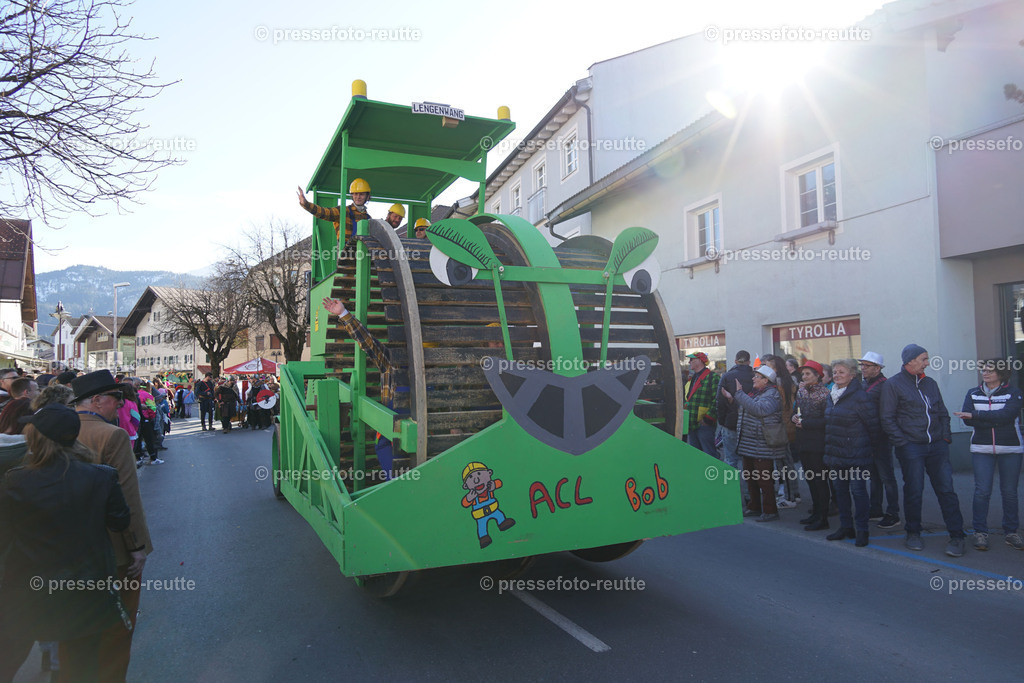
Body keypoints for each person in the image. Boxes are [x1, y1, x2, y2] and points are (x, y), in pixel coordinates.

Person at [0, 404, 134, 682]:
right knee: (80, 665)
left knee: (10, 656)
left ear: (38, 438)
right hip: (84, 589)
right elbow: (120, 522)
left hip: (27, 588)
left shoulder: (15, 481)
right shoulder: (102, 476)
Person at [71, 370, 152, 681]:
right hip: (112, 549)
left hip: (64, 550)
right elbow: (126, 497)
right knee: (118, 630)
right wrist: (136, 547)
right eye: (116, 398)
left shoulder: (50, 431)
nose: (120, 405)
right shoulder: (112, 435)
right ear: (96, 400)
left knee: (74, 633)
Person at [880, 343, 966, 556]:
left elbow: (942, 412)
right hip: (911, 447)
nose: (928, 363)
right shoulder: (893, 385)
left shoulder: (930, 383)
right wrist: (903, 443)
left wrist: (945, 437)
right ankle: (913, 532)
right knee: (914, 491)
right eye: (924, 359)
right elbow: (887, 418)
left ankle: (957, 536)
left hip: (937, 446)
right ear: (910, 361)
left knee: (946, 490)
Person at [323, 296, 403, 479]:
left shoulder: (392, 363)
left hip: (404, 423)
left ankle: (397, 485)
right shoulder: (392, 362)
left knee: (382, 443)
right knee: (385, 444)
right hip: (400, 425)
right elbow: (368, 342)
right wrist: (343, 314)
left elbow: (369, 343)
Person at [954, 359, 1024, 551]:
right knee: (982, 491)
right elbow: (967, 421)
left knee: (1009, 493)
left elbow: (1006, 416)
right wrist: (989, 420)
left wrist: (977, 417)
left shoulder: (1014, 393)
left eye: (990, 371)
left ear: (1001, 374)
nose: (985, 374)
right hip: (981, 449)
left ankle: (1011, 532)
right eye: (984, 370)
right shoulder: (973, 393)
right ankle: (980, 532)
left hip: (1011, 449)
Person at [823, 359, 881, 547]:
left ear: (852, 375)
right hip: (836, 453)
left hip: (857, 454)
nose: (837, 375)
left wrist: (871, 450)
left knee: (858, 492)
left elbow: (873, 425)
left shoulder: (860, 397)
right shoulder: (831, 394)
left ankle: (862, 530)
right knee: (840, 492)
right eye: (835, 372)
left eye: (841, 372)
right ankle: (846, 526)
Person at [720, 364, 788, 522]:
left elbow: (759, 410)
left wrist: (738, 393)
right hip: (750, 443)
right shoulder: (757, 392)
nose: (753, 378)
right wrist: (733, 397)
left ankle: (770, 510)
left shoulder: (772, 394)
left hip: (762, 445)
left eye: (757, 376)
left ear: (766, 380)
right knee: (751, 478)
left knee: (764, 480)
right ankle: (754, 506)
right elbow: (747, 407)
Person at [859, 351, 900, 529]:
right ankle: (875, 508)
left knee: (886, 476)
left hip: (881, 437)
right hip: (868, 436)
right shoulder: (864, 384)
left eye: (867, 366)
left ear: (877, 368)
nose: (863, 369)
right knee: (874, 475)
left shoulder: (885, 385)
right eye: (862, 365)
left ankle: (893, 512)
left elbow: (887, 412)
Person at [792, 360, 830, 531]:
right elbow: (797, 411)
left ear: (818, 376)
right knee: (811, 479)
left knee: (820, 480)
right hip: (804, 440)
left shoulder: (824, 394)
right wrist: (794, 417)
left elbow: (827, 420)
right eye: (803, 374)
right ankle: (815, 512)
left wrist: (806, 423)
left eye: (808, 374)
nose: (804, 377)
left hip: (818, 442)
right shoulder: (801, 391)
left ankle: (823, 517)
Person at [716, 350, 755, 502]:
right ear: (749, 362)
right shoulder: (756, 376)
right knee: (748, 462)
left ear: (735, 360)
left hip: (730, 423)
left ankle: (730, 495)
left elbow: (719, 401)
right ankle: (749, 496)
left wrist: (722, 422)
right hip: (750, 424)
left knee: (730, 460)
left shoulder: (727, 376)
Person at [297, 177, 371, 244]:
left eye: (361, 194)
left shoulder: (368, 219)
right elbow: (324, 212)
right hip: (346, 255)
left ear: (367, 197)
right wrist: (306, 204)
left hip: (363, 255)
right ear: (352, 195)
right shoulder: (343, 211)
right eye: (355, 194)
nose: (358, 197)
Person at [683, 352, 720, 457]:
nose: (689, 362)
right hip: (692, 422)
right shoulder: (693, 378)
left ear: (700, 361)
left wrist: (709, 418)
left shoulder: (713, 377)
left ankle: (713, 472)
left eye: (692, 360)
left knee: (709, 454)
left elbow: (718, 400)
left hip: (704, 424)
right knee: (696, 455)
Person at [136, 380, 162, 465]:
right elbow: (152, 409)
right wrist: (151, 418)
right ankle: (153, 458)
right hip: (146, 419)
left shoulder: (134, 395)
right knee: (150, 439)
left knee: (138, 439)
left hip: (136, 419)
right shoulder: (147, 395)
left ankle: (138, 458)